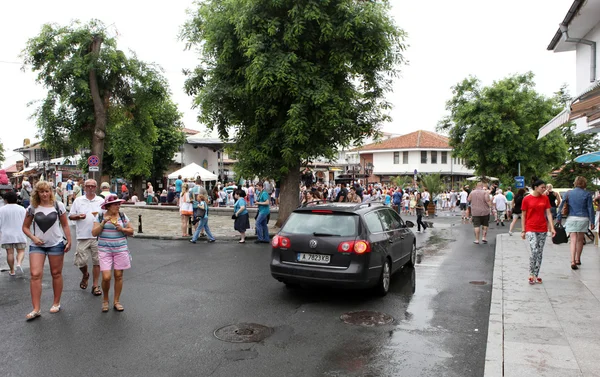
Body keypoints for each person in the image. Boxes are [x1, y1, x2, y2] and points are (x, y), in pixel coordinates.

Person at [22, 181, 72, 321]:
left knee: (56, 273)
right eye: (41, 191)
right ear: (37, 193)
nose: (44, 194)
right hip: (37, 245)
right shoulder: (32, 207)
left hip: (55, 243)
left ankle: (56, 303)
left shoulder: (58, 205)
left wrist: (69, 240)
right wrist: (33, 237)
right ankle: (36, 309)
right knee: (35, 274)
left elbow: (65, 224)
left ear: (51, 192)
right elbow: (25, 227)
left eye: (47, 191)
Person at [91, 195, 134, 312]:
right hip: (105, 250)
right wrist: (103, 223)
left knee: (119, 276)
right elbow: (94, 233)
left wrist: (123, 229)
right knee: (106, 277)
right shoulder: (100, 216)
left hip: (120, 249)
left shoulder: (122, 216)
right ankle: (105, 300)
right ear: (108, 206)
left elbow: (132, 231)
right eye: (115, 204)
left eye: (119, 204)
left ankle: (116, 301)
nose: (118, 206)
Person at [69, 179, 104, 296]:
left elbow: (106, 215)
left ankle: (95, 285)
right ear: (84, 188)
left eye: (92, 186)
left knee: (97, 262)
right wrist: (78, 216)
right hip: (82, 235)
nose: (90, 188)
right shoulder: (78, 201)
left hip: (97, 236)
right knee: (81, 261)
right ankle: (85, 274)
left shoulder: (101, 200)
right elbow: (70, 216)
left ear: (96, 187)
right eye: (88, 186)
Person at [521, 179, 556, 284]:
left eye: (545, 187)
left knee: (540, 252)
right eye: (542, 187)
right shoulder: (527, 199)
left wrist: (552, 228)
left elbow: (549, 213)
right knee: (534, 250)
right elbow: (523, 215)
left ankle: (536, 275)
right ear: (535, 187)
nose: (544, 189)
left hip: (542, 228)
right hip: (530, 228)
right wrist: (523, 230)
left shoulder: (545, 198)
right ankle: (531, 274)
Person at [557, 176, 595, 270]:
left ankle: (572, 260)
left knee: (573, 240)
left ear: (575, 183)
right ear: (584, 183)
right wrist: (592, 221)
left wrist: (559, 218)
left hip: (572, 218)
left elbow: (561, 206)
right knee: (580, 240)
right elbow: (590, 208)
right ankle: (578, 259)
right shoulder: (587, 194)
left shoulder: (569, 193)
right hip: (583, 218)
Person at [0, 192, 27, 276]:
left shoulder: (1, 209)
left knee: (10, 253)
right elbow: (26, 221)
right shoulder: (22, 209)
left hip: (6, 234)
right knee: (21, 251)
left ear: (5, 200)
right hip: (20, 233)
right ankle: (18, 264)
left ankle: (12, 270)